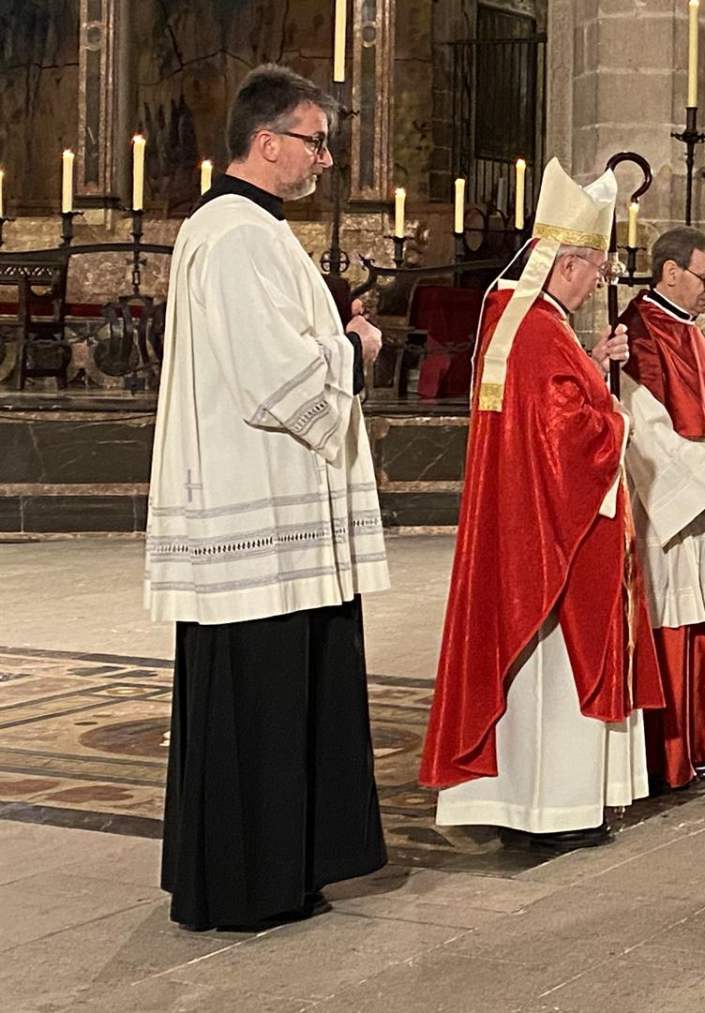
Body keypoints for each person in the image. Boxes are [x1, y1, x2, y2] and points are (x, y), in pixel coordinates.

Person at [147, 64, 389, 931]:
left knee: (280, 697)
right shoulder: (238, 233)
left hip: (277, 516)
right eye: (316, 140)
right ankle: (253, 881)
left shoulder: (247, 229)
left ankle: (281, 869)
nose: (326, 158)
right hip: (261, 516)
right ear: (266, 142)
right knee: (260, 700)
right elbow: (276, 379)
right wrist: (355, 347)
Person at [418, 159, 663, 853]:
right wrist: (615, 418)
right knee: (555, 673)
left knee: (532, 679)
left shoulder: (520, 319)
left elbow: (545, 401)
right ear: (564, 266)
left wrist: (588, 362)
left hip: (529, 529)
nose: (597, 284)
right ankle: (556, 809)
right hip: (558, 541)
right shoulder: (538, 328)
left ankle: (526, 800)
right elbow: (567, 435)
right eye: (594, 270)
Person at [619, 227, 705, 789]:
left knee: (704, 615)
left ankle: (703, 739)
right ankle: (667, 750)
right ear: (671, 272)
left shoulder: (691, 331)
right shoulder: (641, 334)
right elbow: (645, 432)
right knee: (670, 614)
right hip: (667, 504)